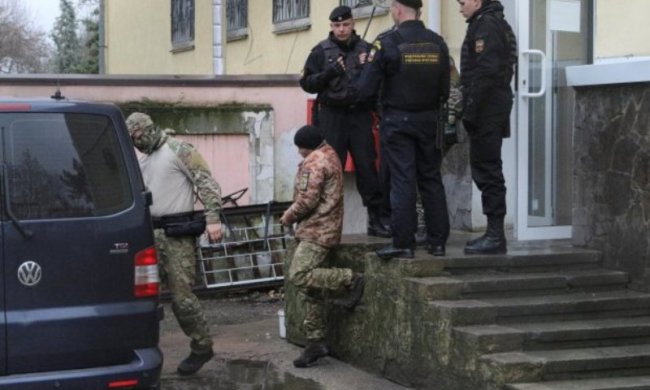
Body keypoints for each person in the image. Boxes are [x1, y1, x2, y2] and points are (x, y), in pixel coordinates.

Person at [126, 112, 223, 376]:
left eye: (137, 137)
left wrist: (213, 217)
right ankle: (141, 349)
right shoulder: (145, 159)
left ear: (147, 129)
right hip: (150, 233)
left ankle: (202, 346)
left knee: (182, 298)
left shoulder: (178, 149)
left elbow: (205, 181)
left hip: (177, 234)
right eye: (133, 140)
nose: (137, 143)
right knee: (144, 297)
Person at [352, 0, 451, 260]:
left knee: (402, 180)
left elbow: (364, 90)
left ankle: (403, 242)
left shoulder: (387, 43)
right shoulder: (437, 42)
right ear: (418, 11)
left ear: (397, 9)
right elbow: (445, 88)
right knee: (431, 178)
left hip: (398, 121)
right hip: (430, 120)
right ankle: (438, 242)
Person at [299, 5, 390, 238]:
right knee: (330, 170)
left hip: (359, 115)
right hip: (332, 116)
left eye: (346, 24)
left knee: (367, 167)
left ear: (353, 24)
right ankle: (324, 223)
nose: (342, 29)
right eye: (337, 25)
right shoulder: (320, 51)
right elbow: (307, 83)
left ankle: (377, 220)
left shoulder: (366, 49)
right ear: (331, 26)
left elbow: (378, 81)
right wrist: (329, 73)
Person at [280, 125, 365, 368]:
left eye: (299, 148)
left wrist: (287, 217)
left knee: (300, 274)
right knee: (312, 291)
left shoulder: (315, 161)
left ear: (304, 145)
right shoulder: (330, 154)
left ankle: (350, 278)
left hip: (317, 230)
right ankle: (315, 342)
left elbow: (307, 199)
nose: (299, 153)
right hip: (326, 227)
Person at [457, 0, 517, 254]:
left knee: (487, 169)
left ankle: (495, 235)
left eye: (462, 3)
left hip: (487, 109)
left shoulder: (486, 25)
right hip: (491, 106)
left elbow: (486, 72)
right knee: (487, 168)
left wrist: (470, 110)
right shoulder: (491, 22)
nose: (460, 8)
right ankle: (494, 233)